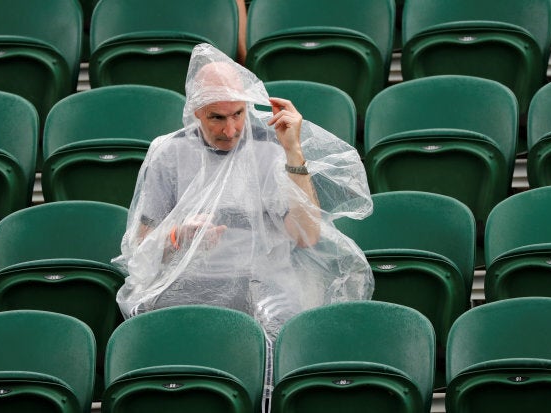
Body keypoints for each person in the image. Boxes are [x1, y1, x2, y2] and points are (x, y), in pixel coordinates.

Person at [113, 43, 374, 342]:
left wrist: (293, 150)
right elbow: (142, 245)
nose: (231, 129)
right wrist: (178, 236)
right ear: (196, 110)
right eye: (217, 118)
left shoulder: (273, 148)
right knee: (155, 332)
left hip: (264, 282)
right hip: (190, 282)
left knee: (283, 327)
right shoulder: (169, 153)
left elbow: (306, 236)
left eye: (237, 113)